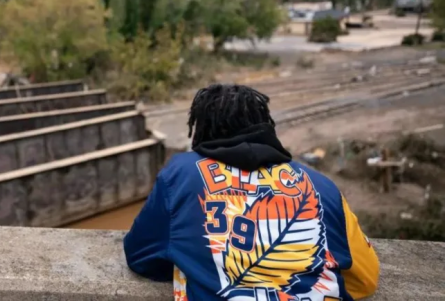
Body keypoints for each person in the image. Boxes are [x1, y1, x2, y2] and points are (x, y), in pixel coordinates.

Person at [124, 84, 379, 301]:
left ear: (200, 129)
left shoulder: (180, 175)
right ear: (266, 126)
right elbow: (365, 278)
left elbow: (139, 255)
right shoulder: (320, 186)